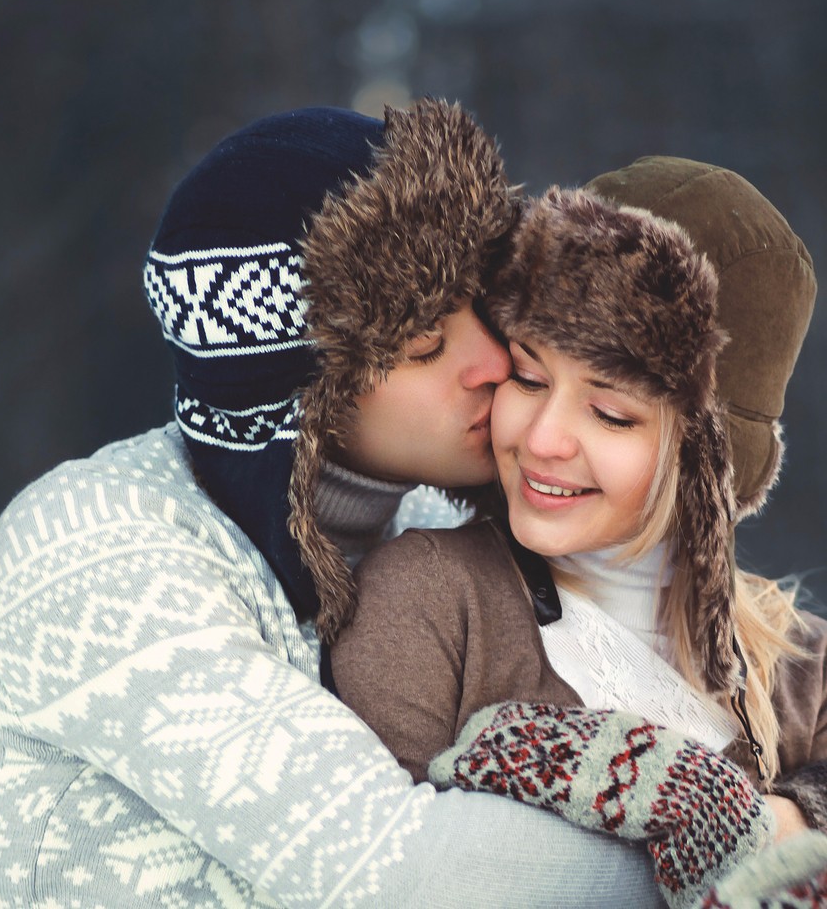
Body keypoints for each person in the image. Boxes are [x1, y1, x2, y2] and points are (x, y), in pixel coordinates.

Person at [0, 99, 665, 907]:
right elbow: (403, 876)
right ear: (302, 389)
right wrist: (729, 847)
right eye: (424, 344)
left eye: (480, 304)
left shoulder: (435, 534)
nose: (493, 361)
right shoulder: (95, 544)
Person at [332, 161, 821, 905]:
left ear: (706, 464)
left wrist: (770, 825)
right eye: (528, 378)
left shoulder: (799, 664)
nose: (542, 439)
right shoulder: (428, 602)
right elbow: (374, 880)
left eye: (612, 413)